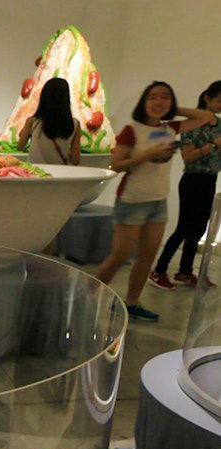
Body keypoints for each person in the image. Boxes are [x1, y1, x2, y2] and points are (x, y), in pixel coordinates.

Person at [93, 81, 218, 322]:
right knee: (120, 255)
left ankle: (132, 302)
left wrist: (171, 108)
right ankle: (84, 297)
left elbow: (206, 116)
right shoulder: (133, 130)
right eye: (152, 97)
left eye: (164, 97)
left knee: (147, 256)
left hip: (157, 202)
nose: (158, 101)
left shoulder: (171, 127)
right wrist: (150, 154)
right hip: (132, 201)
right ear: (143, 102)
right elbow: (115, 165)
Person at [149, 80, 221, 290]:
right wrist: (213, 145)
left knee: (199, 229)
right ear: (207, 98)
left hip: (210, 180)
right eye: (218, 100)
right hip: (192, 180)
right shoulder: (193, 123)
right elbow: (188, 157)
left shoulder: (218, 123)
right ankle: (159, 270)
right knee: (184, 227)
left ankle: (185, 272)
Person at [17, 78, 81, 165]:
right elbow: (75, 160)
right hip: (62, 174)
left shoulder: (33, 122)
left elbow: (20, 148)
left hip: (37, 173)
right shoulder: (75, 125)